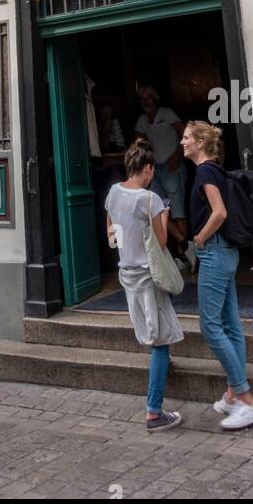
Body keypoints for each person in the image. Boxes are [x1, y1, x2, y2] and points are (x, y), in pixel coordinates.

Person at [181, 120, 253, 431]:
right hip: (226, 252)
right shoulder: (213, 168)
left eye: (187, 138)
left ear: (201, 142)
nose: (183, 143)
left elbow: (219, 212)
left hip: (214, 251)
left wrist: (200, 238)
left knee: (210, 325)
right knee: (231, 325)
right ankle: (232, 394)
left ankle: (246, 399)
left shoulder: (204, 171)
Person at [106, 140, 184, 431]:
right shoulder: (150, 199)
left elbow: (112, 232)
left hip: (127, 272)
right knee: (161, 341)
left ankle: (161, 371)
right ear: (149, 168)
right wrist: (163, 213)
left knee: (151, 330)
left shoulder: (113, 193)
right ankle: (154, 412)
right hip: (148, 275)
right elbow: (161, 241)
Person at [135, 84, 196, 272]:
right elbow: (137, 145)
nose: (146, 101)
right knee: (157, 209)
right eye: (143, 98)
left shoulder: (167, 113)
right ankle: (185, 245)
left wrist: (176, 157)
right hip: (155, 170)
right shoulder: (142, 120)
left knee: (177, 211)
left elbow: (186, 135)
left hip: (173, 168)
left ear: (156, 98)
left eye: (149, 97)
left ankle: (183, 258)